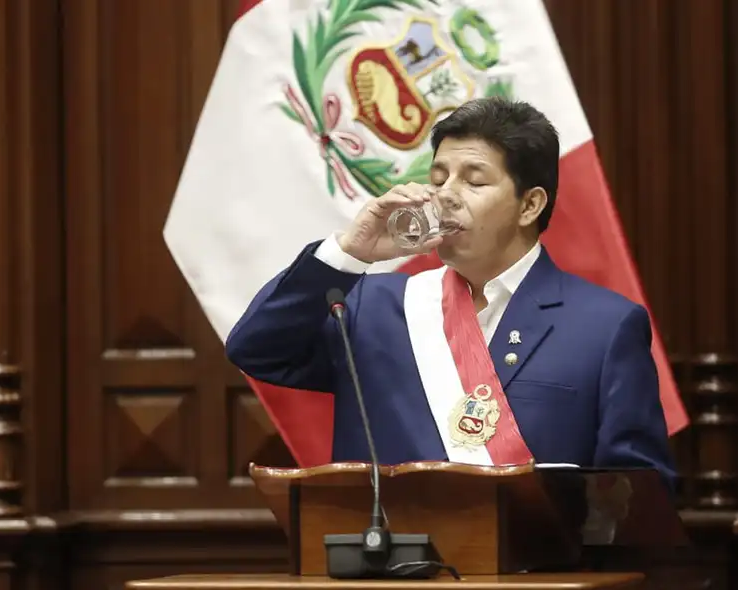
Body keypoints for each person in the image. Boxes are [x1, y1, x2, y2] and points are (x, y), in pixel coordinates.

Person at [226, 97, 675, 489]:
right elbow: (258, 349)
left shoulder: (604, 325)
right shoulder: (372, 306)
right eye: (438, 178)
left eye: (473, 180)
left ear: (530, 204)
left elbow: (635, 492)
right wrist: (350, 252)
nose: (446, 195)